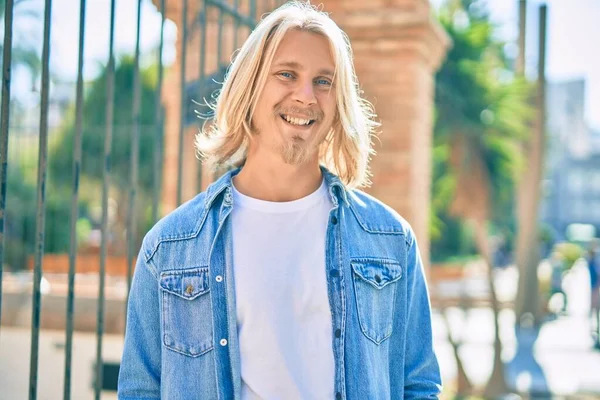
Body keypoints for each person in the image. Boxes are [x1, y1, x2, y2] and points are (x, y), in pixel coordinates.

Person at [117, 2, 442, 399]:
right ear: (249, 89)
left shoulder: (390, 241)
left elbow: (418, 384)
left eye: (324, 81)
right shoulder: (169, 249)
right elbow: (140, 390)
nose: (306, 96)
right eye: (287, 74)